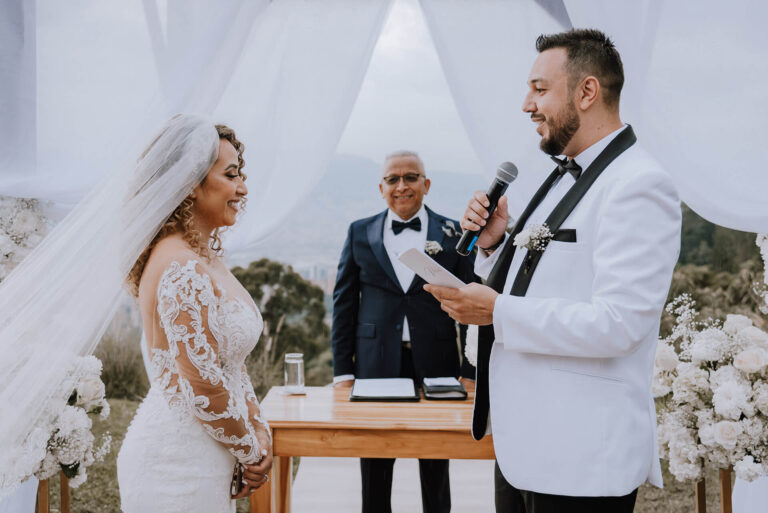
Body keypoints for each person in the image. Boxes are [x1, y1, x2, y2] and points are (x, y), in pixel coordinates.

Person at [425, 29, 681, 513]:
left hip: (581, 458)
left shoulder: (639, 185)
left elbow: (619, 324)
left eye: (540, 89)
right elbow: (544, 282)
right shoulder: (563, 175)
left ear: (587, 92)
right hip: (525, 449)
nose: (527, 104)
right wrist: (495, 245)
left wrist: (497, 312)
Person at [116, 117, 273, 513]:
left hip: (206, 455)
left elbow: (228, 367)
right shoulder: (181, 266)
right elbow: (203, 385)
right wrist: (252, 453)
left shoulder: (203, 258)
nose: (242, 188)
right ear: (190, 182)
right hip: (178, 467)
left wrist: (259, 428)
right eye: (231, 175)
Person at [331, 150, 476, 513]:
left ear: (426, 184)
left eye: (410, 177)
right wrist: (343, 372)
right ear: (381, 188)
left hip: (439, 362)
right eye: (393, 179)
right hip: (374, 363)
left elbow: (471, 305)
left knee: (435, 465)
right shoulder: (359, 232)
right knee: (375, 466)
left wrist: (472, 371)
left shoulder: (454, 233)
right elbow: (343, 305)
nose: (402, 186)